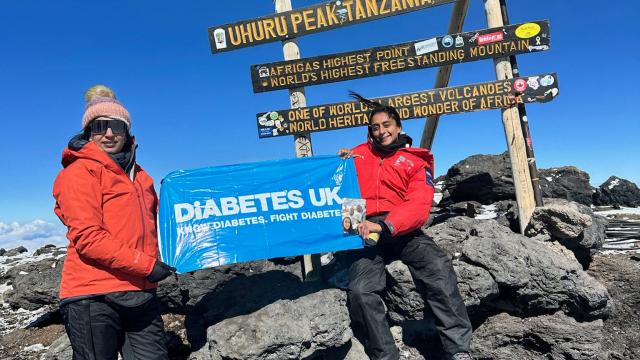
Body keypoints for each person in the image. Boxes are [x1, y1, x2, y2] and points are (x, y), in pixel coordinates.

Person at [337, 93, 473, 360]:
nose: (381, 131)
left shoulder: (415, 160)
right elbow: (342, 191)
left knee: (438, 268)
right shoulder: (357, 155)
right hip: (366, 229)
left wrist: (386, 226)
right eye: (375, 127)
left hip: (403, 229)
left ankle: (458, 349)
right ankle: (386, 355)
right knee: (361, 291)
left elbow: (419, 203)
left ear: (398, 127)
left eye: (386, 125)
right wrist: (338, 165)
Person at [53, 85, 175, 360]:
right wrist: (147, 265)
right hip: (92, 295)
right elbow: (89, 238)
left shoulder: (141, 177)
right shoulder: (78, 173)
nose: (109, 133)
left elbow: (159, 225)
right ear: (88, 133)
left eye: (116, 126)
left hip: (140, 291)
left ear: (127, 132)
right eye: (100, 127)